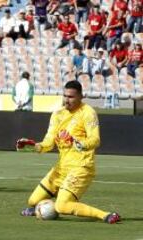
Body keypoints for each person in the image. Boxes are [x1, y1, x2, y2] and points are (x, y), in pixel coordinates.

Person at [20, 80, 121, 224]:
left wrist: (82, 144)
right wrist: (32, 146)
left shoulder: (88, 112)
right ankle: (45, 208)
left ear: (81, 96)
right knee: (33, 200)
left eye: (71, 97)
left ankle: (105, 215)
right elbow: (48, 143)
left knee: (61, 206)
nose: (67, 100)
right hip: (62, 168)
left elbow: (95, 139)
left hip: (81, 167)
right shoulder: (57, 114)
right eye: (65, 96)